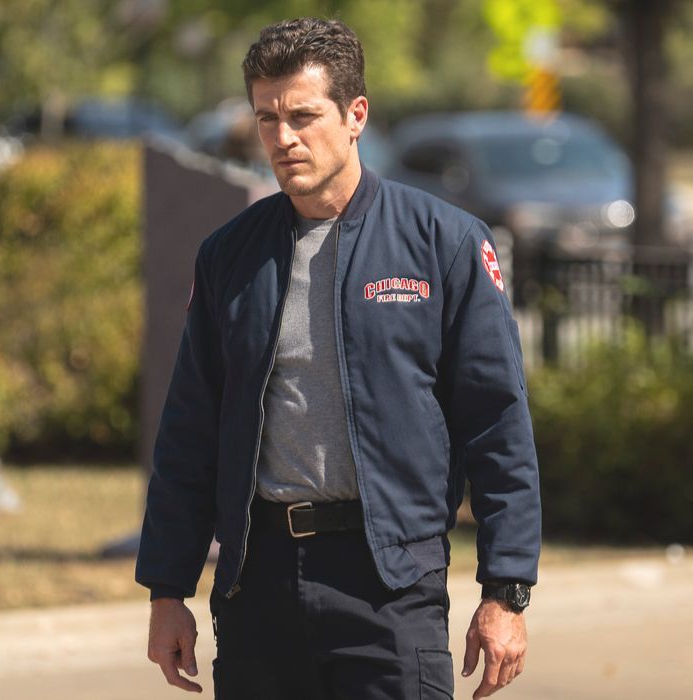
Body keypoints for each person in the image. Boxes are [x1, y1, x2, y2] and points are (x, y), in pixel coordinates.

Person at [135, 17, 542, 700]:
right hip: (256, 582)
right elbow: (190, 430)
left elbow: (497, 424)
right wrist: (166, 589)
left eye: (302, 115)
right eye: (266, 118)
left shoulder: (443, 243)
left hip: (389, 582)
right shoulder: (230, 256)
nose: (283, 137)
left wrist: (506, 592)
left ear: (356, 115)